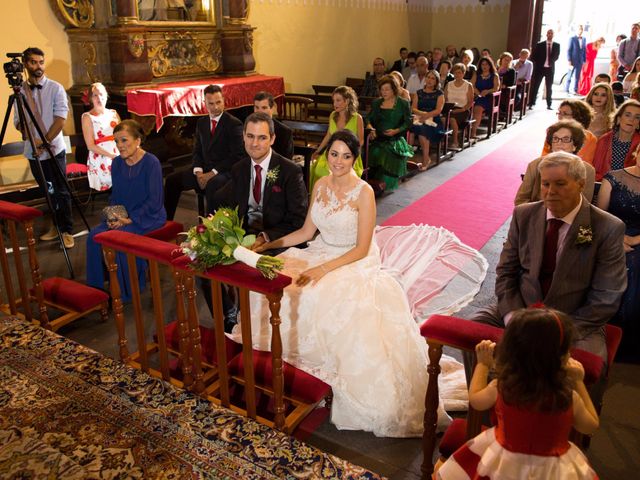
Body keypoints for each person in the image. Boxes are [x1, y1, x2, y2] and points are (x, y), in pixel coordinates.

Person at [242, 130, 469, 437]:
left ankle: (333, 379)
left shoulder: (363, 192)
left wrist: (323, 270)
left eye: (345, 156)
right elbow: (307, 233)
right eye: (333, 154)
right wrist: (269, 244)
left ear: (355, 159)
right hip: (321, 251)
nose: (338, 161)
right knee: (279, 279)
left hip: (354, 260)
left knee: (326, 295)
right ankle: (293, 367)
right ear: (326, 156)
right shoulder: (320, 184)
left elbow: (362, 248)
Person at [471, 151, 627, 361]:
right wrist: (513, 316)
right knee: (474, 330)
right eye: (545, 184)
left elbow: (607, 295)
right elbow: (506, 271)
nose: (550, 192)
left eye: (560, 184)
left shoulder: (607, 227)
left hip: (573, 318)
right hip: (522, 307)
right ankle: (482, 391)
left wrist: (560, 331)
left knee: (590, 360)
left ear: (581, 184)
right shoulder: (524, 214)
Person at [437, 308, 599, 479]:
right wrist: (579, 381)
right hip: (554, 470)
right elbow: (590, 425)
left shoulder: (502, 387)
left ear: (511, 351)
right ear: (562, 355)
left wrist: (482, 365)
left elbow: (476, 400)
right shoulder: (568, 397)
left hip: (504, 463)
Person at [86, 120, 166, 300]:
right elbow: (115, 197)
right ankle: (95, 292)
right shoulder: (116, 164)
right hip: (123, 216)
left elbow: (155, 201)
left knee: (120, 239)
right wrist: (113, 216)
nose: (119, 146)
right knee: (93, 237)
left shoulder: (151, 163)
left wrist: (131, 219)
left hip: (149, 217)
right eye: (116, 141)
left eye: (124, 140)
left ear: (138, 140)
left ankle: (128, 292)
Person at [14, 47, 74, 248]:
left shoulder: (55, 88)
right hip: (32, 150)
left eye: (41, 62)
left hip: (54, 148)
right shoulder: (19, 91)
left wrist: (45, 142)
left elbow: (60, 119)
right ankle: (55, 226)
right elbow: (17, 121)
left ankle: (67, 231)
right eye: (33, 62)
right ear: (25, 64)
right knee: (47, 191)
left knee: (61, 191)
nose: (38, 67)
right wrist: (31, 139)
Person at [163, 84, 245, 220]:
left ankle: (209, 228)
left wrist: (211, 174)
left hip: (224, 171)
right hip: (203, 170)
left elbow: (237, 156)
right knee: (172, 180)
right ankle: (166, 222)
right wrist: (198, 171)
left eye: (218, 102)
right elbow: (197, 151)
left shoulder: (234, 124)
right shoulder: (201, 122)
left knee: (213, 184)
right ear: (204, 103)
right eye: (211, 103)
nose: (216, 107)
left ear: (224, 100)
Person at [596, 141, 640, 362]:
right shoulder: (613, 177)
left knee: (634, 265)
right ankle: (600, 331)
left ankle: (627, 340)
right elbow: (600, 215)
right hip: (610, 234)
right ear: (636, 153)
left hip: (638, 239)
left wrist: (634, 239)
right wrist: (616, 237)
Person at [516, 120, 596, 205]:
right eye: (555, 139)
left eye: (565, 139)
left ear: (575, 146)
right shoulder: (535, 165)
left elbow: (584, 204)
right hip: (536, 215)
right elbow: (520, 200)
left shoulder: (588, 170)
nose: (559, 143)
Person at [309, 86, 365, 189]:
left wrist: (353, 157)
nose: (335, 104)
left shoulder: (357, 118)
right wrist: (318, 150)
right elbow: (329, 135)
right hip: (333, 153)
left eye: (338, 100)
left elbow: (360, 141)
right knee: (318, 170)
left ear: (347, 101)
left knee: (343, 173)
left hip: (350, 154)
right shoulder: (333, 115)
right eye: (334, 101)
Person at [366, 75, 414, 190]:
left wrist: (396, 131)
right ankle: (372, 183)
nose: (384, 92)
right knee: (372, 152)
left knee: (386, 152)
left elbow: (408, 122)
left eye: (387, 89)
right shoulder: (377, 103)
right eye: (382, 90)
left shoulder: (403, 103)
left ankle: (385, 184)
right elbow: (368, 119)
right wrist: (370, 128)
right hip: (378, 138)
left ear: (394, 89)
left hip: (395, 140)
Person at [81, 82, 120, 192]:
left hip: (117, 153)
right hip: (101, 157)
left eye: (101, 94)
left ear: (106, 96)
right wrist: (111, 156)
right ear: (90, 99)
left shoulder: (114, 114)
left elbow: (122, 135)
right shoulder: (87, 117)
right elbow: (90, 145)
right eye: (95, 95)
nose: (99, 98)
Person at [593, 99, 640, 180]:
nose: (631, 120)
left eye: (637, 117)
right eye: (627, 115)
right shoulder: (604, 140)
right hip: (602, 183)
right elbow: (595, 170)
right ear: (618, 119)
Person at [541, 99, 598, 164]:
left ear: (578, 116)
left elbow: (585, 163)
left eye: (565, 114)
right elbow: (544, 156)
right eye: (559, 113)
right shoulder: (552, 131)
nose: (560, 117)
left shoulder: (590, 138)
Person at [411, 70, 444, 171]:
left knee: (422, 130)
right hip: (420, 118)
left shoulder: (439, 94)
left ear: (436, 81)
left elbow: (438, 110)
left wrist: (427, 116)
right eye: (428, 77)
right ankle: (408, 158)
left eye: (433, 78)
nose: (430, 80)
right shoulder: (419, 93)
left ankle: (426, 159)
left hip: (434, 121)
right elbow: (413, 108)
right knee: (411, 128)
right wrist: (423, 115)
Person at [253, 91, 294, 159]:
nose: (259, 112)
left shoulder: (285, 132)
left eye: (264, 108)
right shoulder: (248, 128)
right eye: (257, 107)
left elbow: (286, 162)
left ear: (272, 109)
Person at [444, 63, 474, 150]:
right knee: (441, 119)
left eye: (459, 72)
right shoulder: (449, 84)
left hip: (463, 110)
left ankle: (455, 141)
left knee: (452, 119)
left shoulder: (468, 85)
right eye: (455, 73)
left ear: (463, 73)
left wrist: (461, 110)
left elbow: (470, 102)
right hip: (449, 108)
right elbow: (444, 99)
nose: (457, 75)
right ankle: (442, 140)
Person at [529, 29, 560, 110]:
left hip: (550, 69)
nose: (550, 34)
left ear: (553, 35)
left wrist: (550, 61)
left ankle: (549, 104)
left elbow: (556, 56)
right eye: (549, 33)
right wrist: (540, 62)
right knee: (536, 85)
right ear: (546, 34)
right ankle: (532, 103)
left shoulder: (557, 45)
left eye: (551, 33)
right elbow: (534, 56)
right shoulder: (540, 44)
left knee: (549, 87)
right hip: (540, 68)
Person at [470, 57, 500, 138]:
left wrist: (487, 91)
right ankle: (467, 130)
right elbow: (471, 85)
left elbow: (496, 88)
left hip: (489, 98)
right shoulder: (477, 74)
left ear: (490, 65)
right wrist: (477, 92)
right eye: (482, 64)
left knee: (478, 109)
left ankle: (473, 132)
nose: (484, 66)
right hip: (477, 96)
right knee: (469, 106)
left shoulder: (494, 75)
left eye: (486, 64)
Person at [565, 24, 587, 95]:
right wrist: (569, 60)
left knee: (577, 77)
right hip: (572, 60)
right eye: (579, 29)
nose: (580, 31)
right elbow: (569, 50)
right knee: (569, 76)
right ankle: (566, 89)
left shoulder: (584, 39)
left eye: (582, 29)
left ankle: (575, 89)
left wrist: (584, 60)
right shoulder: (572, 38)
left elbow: (584, 50)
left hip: (580, 61)